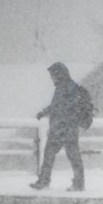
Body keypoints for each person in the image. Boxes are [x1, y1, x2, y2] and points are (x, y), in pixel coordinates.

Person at [30, 62, 91, 191]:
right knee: (69, 157)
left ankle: (45, 181)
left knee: (57, 155)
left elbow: (62, 108)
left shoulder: (68, 88)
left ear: (59, 75)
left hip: (64, 130)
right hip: (65, 129)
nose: (51, 78)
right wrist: (44, 112)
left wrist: (55, 119)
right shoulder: (64, 87)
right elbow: (57, 107)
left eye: (53, 75)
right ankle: (77, 183)